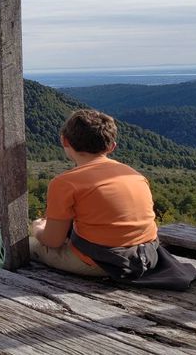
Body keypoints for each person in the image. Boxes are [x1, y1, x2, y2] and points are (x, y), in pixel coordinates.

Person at [30, 109, 157, 277]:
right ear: (112, 146)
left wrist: (37, 229)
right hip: (149, 256)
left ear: (64, 140)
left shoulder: (64, 183)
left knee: (26, 245)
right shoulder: (135, 175)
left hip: (104, 263)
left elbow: (53, 241)